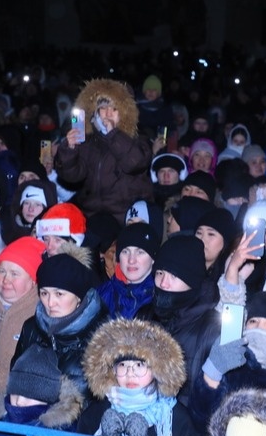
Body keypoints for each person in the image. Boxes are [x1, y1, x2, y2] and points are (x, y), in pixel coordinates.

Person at [72, 318, 202, 436]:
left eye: (140, 365)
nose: (130, 373)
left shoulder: (175, 419)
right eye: (122, 365)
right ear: (112, 369)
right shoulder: (97, 413)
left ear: (157, 368)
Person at [190, 291, 266, 429]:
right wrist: (212, 372)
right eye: (253, 321)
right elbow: (200, 420)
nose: (259, 328)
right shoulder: (230, 365)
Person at [12, 246, 108, 411]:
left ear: (78, 297)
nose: (50, 303)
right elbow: (15, 381)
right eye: (44, 293)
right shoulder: (31, 328)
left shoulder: (102, 336)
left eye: (59, 294)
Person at [56, 78, 152, 223]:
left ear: (125, 112)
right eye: (103, 108)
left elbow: (135, 163)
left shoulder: (138, 139)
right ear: (95, 112)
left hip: (125, 216)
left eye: (114, 108)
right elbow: (72, 176)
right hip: (92, 215)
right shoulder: (88, 142)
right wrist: (69, 149)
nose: (108, 113)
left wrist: (113, 135)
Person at [148, 235, 219, 406]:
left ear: (192, 280)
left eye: (174, 275)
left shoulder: (212, 329)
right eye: (160, 273)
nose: (163, 283)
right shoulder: (144, 316)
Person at [0, 236, 45, 397]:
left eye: (15, 274)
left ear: (33, 280)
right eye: (1, 271)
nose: (6, 279)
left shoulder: (43, 314)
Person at [97, 222, 160, 320]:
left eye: (140, 252)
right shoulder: (101, 295)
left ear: (153, 259)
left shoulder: (161, 301)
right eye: (125, 251)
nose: (131, 260)